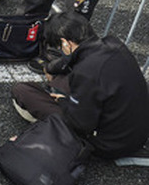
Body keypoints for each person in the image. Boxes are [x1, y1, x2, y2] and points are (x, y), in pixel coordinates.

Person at [11, 12, 149, 160]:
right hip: (136, 133)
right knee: (59, 81)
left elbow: (80, 125)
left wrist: (64, 102)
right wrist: (53, 68)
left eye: (59, 47)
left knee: (23, 90)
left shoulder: (86, 72)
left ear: (66, 43)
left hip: (107, 145)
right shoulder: (114, 43)